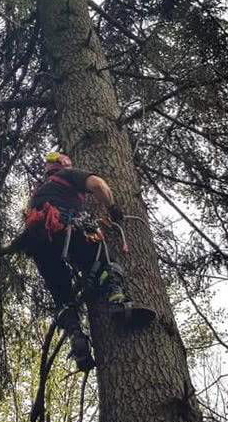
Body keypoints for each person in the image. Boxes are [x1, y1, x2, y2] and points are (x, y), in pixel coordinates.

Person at [21, 152, 155, 371]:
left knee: (62, 294)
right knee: (105, 262)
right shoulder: (69, 174)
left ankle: (77, 337)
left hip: (38, 244)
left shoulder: (40, 192)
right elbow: (98, 185)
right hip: (66, 227)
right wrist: (113, 208)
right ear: (63, 164)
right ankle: (118, 303)